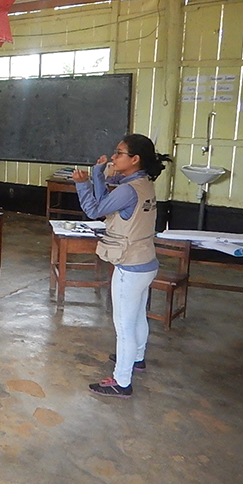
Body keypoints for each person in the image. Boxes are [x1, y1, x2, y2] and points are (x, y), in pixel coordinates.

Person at [73, 133, 170, 398]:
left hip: (129, 266)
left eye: (119, 153)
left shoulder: (128, 190)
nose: (114, 157)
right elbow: (108, 193)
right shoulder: (143, 182)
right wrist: (98, 172)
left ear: (135, 159)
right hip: (146, 262)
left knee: (124, 326)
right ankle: (137, 358)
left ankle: (121, 381)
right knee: (138, 315)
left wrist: (83, 184)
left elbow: (96, 210)